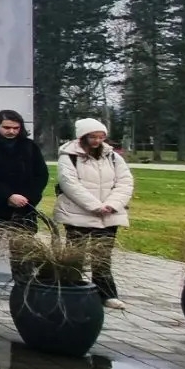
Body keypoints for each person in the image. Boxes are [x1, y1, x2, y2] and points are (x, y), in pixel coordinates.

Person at [0, 110, 48, 303]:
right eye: (7, 127)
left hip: (23, 208)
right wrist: (8, 196)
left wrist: (27, 198)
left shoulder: (29, 147)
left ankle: (23, 285)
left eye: (16, 128)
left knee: (22, 249)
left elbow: (41, 175)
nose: (11, 131)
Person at [54, 118, 135, 309]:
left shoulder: (113, 157)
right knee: (75, 255)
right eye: (93, 137)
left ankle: (106, 294)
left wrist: (112, 205)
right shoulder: (69, 156)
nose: (97, 141)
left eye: (101, 137)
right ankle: (71, 290)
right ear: (82, 136)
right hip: (78, 213)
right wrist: (95, 206)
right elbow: (70, 184)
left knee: (102, 255)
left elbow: (125, 182)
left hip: (108, 214)